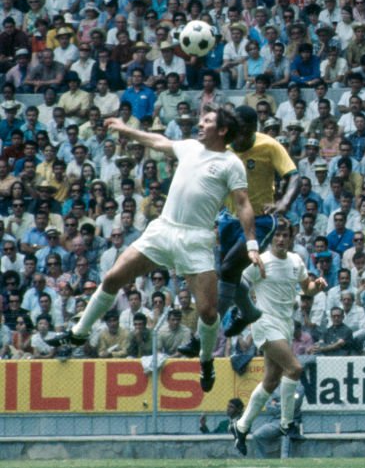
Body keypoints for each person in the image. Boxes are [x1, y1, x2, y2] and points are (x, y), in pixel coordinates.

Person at [47, 107, 262, 393]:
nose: (200, 122)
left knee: (209, 313)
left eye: (207, 120)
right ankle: (78, 333)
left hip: (196, 240)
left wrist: (252, 244)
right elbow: (156, 141)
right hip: (162, 231)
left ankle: (206, 360)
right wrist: (126, 130)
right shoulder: (189, 147)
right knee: (112, 278)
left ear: (222, 131)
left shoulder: (231, 163)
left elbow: (244, 204)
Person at [231, 221, 327, 455]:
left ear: (291, 238)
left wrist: (318, 286)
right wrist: (247, 310)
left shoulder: (295, 261)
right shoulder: (260, 261)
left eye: (285, 235)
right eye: (278, 236)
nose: (281, 239)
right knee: (294, 368)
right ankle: (287, 423)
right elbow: (238, 285)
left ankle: (241, 426)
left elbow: (307, 289)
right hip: (264, 323)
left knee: (271, 380)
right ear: (272, 239)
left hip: (284, 325)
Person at [214, 105, 301, 340]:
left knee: (230, 267)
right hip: (229, 219)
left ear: (253, 129)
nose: (238, 136)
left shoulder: (269, 145)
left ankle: (207, 332)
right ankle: (249, 312)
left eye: (243, 131)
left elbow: (294, 177)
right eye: (235, 130)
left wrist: (283, 203)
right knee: (226, 275)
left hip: (261, 218)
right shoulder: (225, 149)